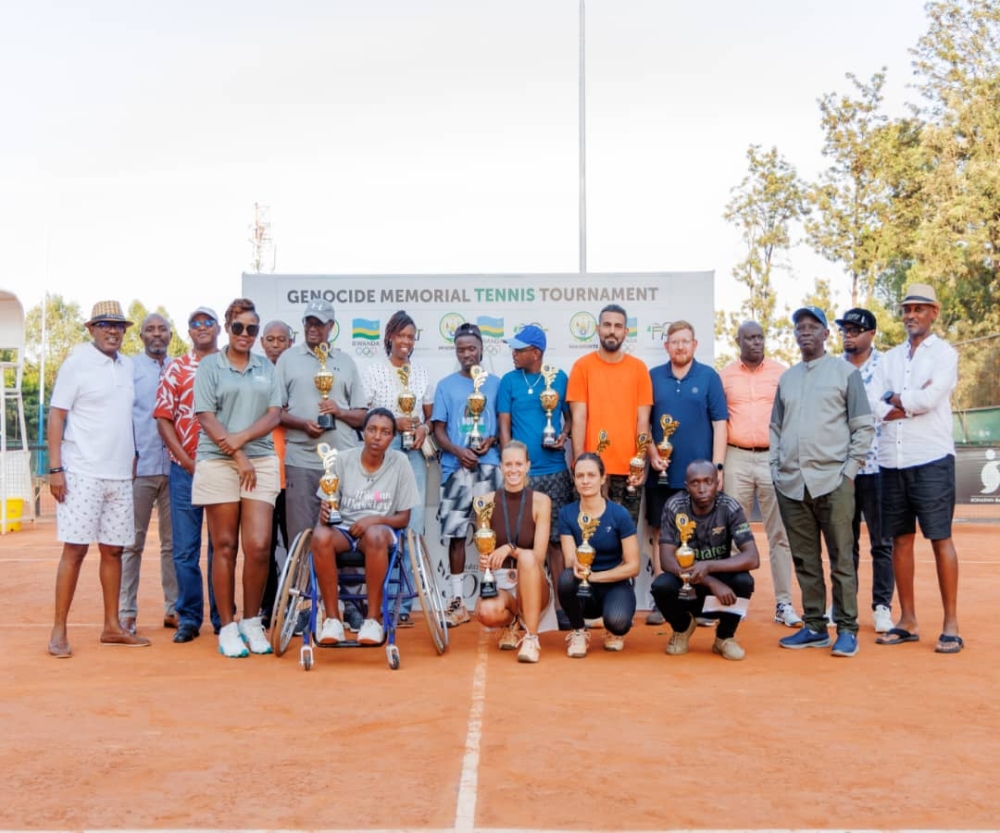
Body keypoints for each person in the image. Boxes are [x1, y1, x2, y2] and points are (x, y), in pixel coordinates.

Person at [47, 300, 150, 657]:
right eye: (105, 324)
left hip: (119, 473)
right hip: (81, 472)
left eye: (119, 326)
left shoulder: (127, 367)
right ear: (91, 329)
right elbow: (57, 416)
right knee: (74, 549)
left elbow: (124, 416)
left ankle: (112, 626)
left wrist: (133, 453)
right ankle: (59, 630)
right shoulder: (76, 364)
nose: (113, 331)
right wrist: (56, 469)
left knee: (114, 550)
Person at [771, 306, 874, 658]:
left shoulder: (845, 373)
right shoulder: (787, 378)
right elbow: (775, 429)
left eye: (813, 327)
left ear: (826, 334)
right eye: (800, 327)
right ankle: (814, 626)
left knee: (841, 558)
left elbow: (863, 426)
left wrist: (848, 473)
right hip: (792, 484)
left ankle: (846, 628)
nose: (805, 332)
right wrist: (776, 467)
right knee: (805, 559)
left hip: (834, 481)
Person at [872, 283, 962, 653]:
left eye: (919, 309)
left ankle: (951, 624)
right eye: (907, 308)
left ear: (934, 313)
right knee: (900, 541)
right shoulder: (888, 359)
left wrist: (898, 401)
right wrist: (902, 403)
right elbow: (872, 403)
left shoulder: (945, 354)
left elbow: (930, 398)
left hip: (931, 458)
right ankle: (907, 620)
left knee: (940, 537)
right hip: (892, 460)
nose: (911, 314)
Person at [193, 298, 282, 658]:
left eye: (252, 329)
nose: (245, 334)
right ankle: (228, 626)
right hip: (218, 461)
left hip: (259, 460)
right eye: (238, 327)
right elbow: (206, 416)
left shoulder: (266, 367)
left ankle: (251, 621)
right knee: (225, 545)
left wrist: (243, 443)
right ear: (227, 328)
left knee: (259, 545)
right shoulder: (210, 366)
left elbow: (274, 414)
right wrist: (238, 454)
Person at [312, 408, 421, 647]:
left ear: (392, 437)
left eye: (385, 432)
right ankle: (332, 619)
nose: (377, 436)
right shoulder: (342, 459)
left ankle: (372, 619)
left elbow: (403, 518)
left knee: (375, 535)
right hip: (344, 529)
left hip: (380, 532)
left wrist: (374, 520)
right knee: (319, 535)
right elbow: (327, 506)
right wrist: (325, 512)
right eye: (372, 429)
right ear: (363, 432)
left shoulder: (400, 462)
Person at [645, 320, 728, 625]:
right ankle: (660, 601)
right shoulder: (653, 377)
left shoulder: (709, 377)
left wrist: (717, 468)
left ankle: (703, 603)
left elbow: (720, 424)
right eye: (674, 342)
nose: (680, 346)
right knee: (661, 535)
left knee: (703, 538)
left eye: (685, 341)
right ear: (666, 346)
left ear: (695, 345)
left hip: (702, 481)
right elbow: (644, 423)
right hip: (662, 474)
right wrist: (653, 454)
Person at [720, 321, 802, 628]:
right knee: (729, 533)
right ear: (738, 340)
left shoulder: (782, 373)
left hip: (772, 458)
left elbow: (793, 417)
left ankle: (784, 604)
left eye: (760, 337)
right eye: (749, 338)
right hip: (736, 456)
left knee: (779, 534)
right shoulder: (725, 376)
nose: (756, 342)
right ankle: (728, 603)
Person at [496, 324, 574, 631]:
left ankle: (560, 606)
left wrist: (564, 435)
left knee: (555, 543)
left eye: (519, 349)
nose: (513, 353)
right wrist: (510, 463)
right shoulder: (508, 382)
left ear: (536, 353)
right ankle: (522, 606)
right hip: (522, 478)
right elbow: (504, 426)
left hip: (554, 470)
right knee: (519, 543)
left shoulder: (559, 378)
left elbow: (568, 418)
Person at [155, 306, 224, 644]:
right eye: (195, 323)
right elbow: (163, 417)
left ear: (218, 328)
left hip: (223, 468)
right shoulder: (177, 368)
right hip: (185, 470)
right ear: (189, 331)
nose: (201, 327)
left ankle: (223, 617)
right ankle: (190, 617)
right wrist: (185, 460)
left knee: (221, 547)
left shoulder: (228, 364)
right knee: (184, 549)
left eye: (207, 321)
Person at [361, 310, 435, 627]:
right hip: (382, 456)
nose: (405, 341)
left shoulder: (420, 374)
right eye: (400, 335)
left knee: (412, 527)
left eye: (410, 336)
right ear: (389, 336)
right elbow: (363, 418)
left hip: (414, 457)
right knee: (385, 525)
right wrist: (394, 422)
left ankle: (404, 602)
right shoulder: (373, 371)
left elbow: (430, 418)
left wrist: (423, 430)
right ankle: (383, 600)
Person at [276, 300, 368, 550]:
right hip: (301, 461)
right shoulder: (287, 359)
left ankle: (339, 590)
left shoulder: (346, 362)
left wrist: (339, 412)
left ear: (331, 326)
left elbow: (362, 416)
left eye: (319, 323)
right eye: (308, 322)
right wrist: (303, 424)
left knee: (346, 535)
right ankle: (304, 589)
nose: (312, 328)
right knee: (301, 538)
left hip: (342, 463)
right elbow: (275, 412)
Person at [651, 460, 760, 661]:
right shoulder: (675, 506)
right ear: (686, 485)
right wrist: (710, 580)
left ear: (717, 483)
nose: (702, 489)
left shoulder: (729, 506)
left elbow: (753, 557)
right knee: (661, 586)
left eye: (708, 482)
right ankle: (682, 628)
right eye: (695, 483)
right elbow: (667, 561)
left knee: (744, 581)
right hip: (689, 586)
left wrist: (709, 566)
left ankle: (724, 637)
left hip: (721, 587)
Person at [432, 321, 502, 628]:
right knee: (457, 536)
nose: (466, 354)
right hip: (455, 469)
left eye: (471, 348)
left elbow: (503, 424)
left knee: (495, 536)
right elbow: (438, 430)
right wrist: (459, 452)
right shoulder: (446, 385)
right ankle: (457, 602)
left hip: (490, 467)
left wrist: (492, 440)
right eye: (460, 349)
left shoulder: (498, 384)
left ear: (482, 349)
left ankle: (499, 597)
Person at [835, 307, 895, 634]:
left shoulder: (887, 366)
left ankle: (882, 607)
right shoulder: (834, 368)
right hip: (843, 469)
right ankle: (844, 606)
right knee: (845, 542)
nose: (849, 334)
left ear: (871, 334)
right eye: (845, 329)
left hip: (879, 466)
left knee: (882, 542)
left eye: (855, 329)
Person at [566, 304, 653, 524]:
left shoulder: (639, 369)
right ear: (597, 329)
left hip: (628, 471)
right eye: (607, 325)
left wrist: (639, 463)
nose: (611, 331)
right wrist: (579, 463)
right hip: (591, 471)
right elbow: (579, 419)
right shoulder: (581, 367)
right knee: (590, 537)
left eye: (617, 326)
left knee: (626, 537)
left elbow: (643, 420)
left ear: (626, 332)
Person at [119, 313, 176, 635]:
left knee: (173, 544)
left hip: (174, 468)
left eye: (162, 329)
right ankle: (126, 613)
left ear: (170, 334)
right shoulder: (129, 369)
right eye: (150, 330)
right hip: (139, 468)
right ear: (141, 336)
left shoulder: (180, 367)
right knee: (132, 544)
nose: (157, 334)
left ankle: (173, 609)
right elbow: (121, 415)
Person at [473, 441, 555, 663]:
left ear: (528, 466)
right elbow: (485, 547)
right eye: (508, 464)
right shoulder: (484, 503)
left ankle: (531, 638)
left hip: (534, 583)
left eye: (519, 464)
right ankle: (510, 623)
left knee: (527, 557)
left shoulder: (541, 502)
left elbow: (537, 557)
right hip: (502, 584)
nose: (513, 469)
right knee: (486, 610)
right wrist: (485, 559)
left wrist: (509, 548)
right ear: (500, 467)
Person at [557, 453, 640, 657]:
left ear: (603, 478)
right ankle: (579, 631)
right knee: (566, 578)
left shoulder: (619, 514)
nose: (585, 481)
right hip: (583, 586)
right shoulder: (566, 514)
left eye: (591, 475)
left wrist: (596, 577)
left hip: (614, 584)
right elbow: (569, 558)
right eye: (580, 476)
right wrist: (580, 568)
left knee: (619, 623)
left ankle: (612, 628)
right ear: (574, 479)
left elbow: (633, 566)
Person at [260, 319, 293, 627]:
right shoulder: (255, 375)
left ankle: (298, 607)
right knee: (265, 548)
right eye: (270, 339)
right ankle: (268, 608)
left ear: (290, 343)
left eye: (281, 340)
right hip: (261, 477)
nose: (275, 345)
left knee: (296, 546)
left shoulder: (297, 374)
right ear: (261, 343)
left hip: (294, 475)